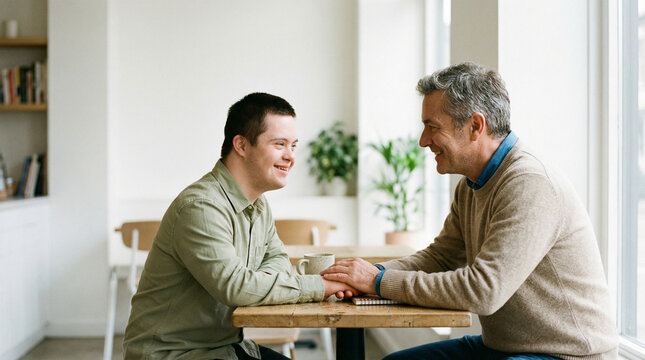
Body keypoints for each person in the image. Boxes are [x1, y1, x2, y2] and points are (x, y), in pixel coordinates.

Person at [321, 62, 618, 360]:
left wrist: (376, 282)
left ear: (476, 126)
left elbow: (484, 290)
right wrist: (375, 273)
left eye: (432, 126)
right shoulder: (471, 184)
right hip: (505, 349)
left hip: (566, 356)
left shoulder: (529, 183)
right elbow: (441, 257)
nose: (424, 140)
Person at [123, 92, 355, 360]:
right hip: (175, 354)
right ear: (242, 145)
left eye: (293, 145)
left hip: (227, 349)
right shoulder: (201, 206)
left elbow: (277, 258)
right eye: (279, 144)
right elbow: (236, 287)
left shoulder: (258, 204)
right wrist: (319, 286)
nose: (290, 156)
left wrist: (258, 283)